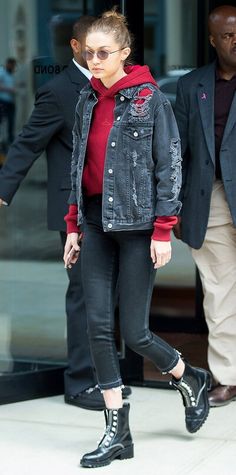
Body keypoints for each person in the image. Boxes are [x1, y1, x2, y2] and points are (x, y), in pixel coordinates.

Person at [63, 8, 211, 468]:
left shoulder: (151, 99)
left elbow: (170, 165)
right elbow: (78, 167)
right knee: (98, 329)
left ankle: (191, 377)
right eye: (89, 54)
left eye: (103, 53)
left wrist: (164, 228)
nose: (94, 61)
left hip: (137, 227)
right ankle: (117, 432)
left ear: (125, 54)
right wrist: (72, 225)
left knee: (135, 331)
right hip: (94, 225)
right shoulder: (87, 100)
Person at [0, 16, 130, 410]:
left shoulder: (115, 84)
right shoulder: (58, 91)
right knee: (84, 295)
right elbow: (26, 144)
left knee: (107, 295)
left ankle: (104, 377)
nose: (97, 56)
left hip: (114, 207)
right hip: (76, 210)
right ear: (76, 47)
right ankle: (79, 382)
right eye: (90, 48)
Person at [174, 5, 236, 408]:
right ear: (212, 40)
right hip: (209, 198)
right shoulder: (192, 84)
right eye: (228, 35)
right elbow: (176, 148)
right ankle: (228, 377)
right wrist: (174, 207)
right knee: (220, 293)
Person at [0, 57, 17, 147]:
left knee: (11, 121)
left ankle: (10, 139)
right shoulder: (1, 72)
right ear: (8, 64)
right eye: (13, 65)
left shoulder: (11, 74)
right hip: (2, 101)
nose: (13, 67)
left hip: (11, 102)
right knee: (3, 121)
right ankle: (3, 140)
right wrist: (10, 89)